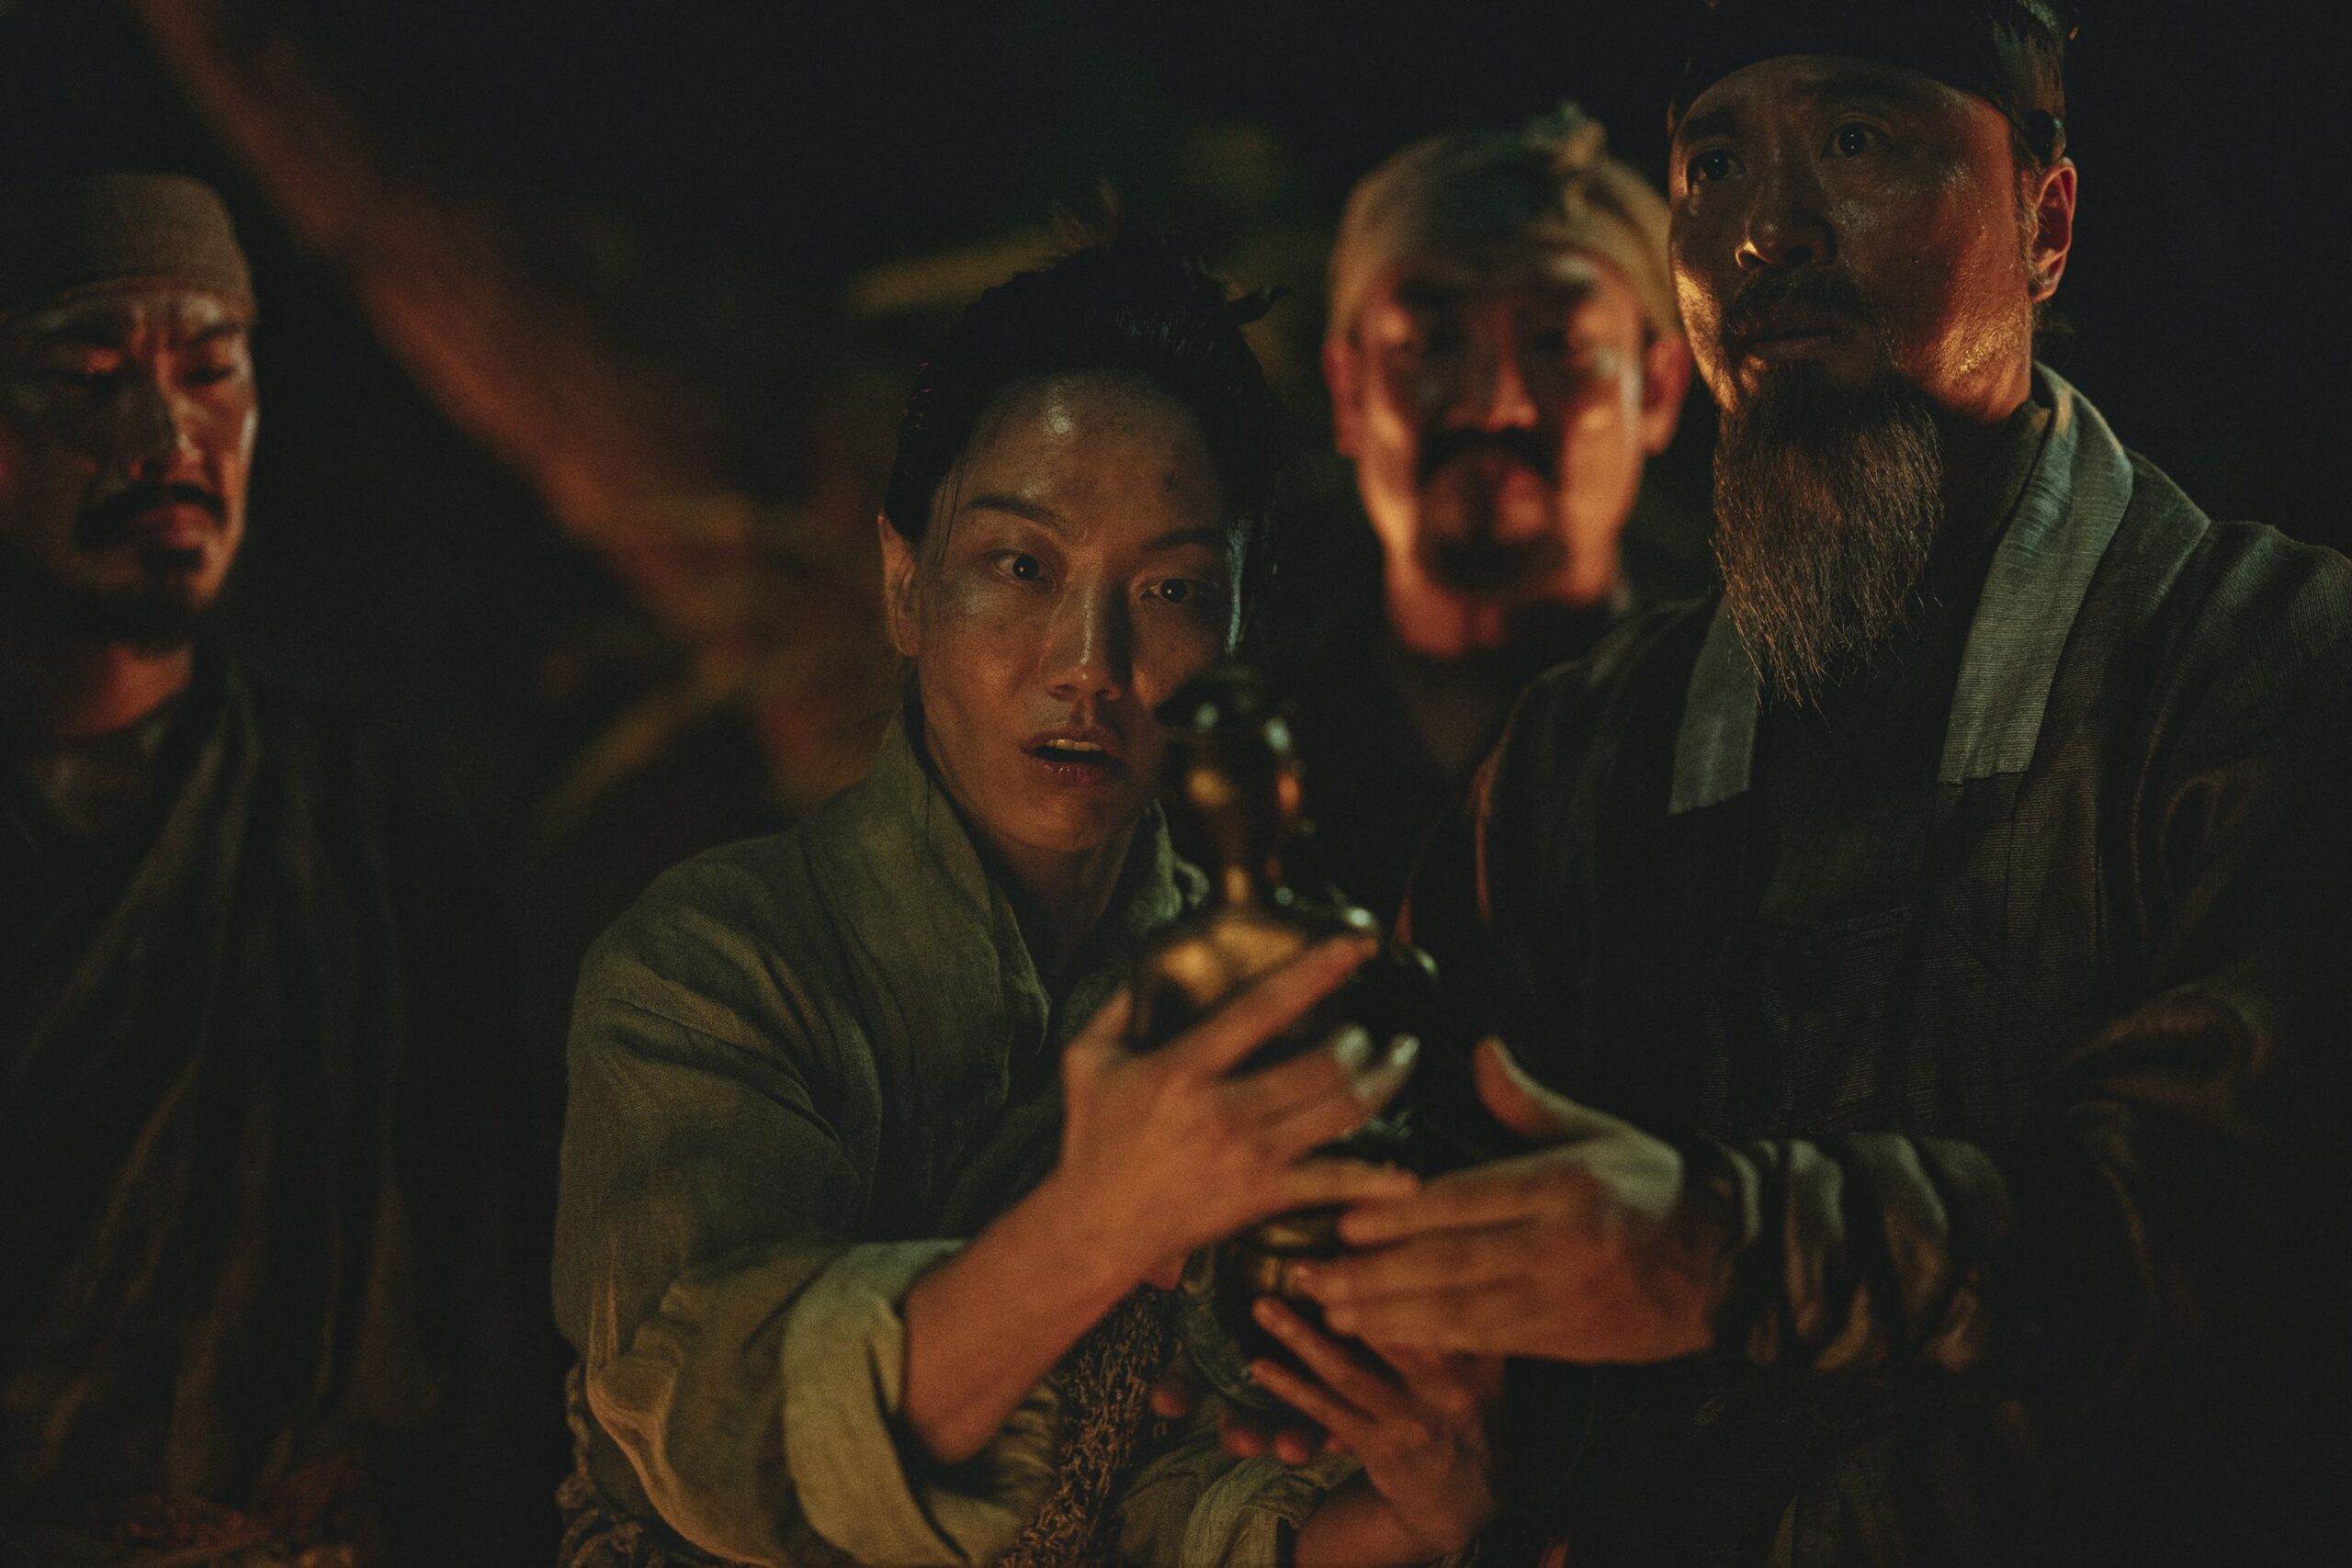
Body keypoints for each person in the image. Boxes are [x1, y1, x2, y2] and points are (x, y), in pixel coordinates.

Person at [1272, 3, 2352, 1563]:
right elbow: (1423, 1234)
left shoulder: (2269, 671)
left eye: (1856, 141)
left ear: (2046, 221)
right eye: (1714, 165)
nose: (1765, 230)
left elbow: (2239, 1243)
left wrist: (1728, 1253)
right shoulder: (1583, 756)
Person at [552, 236, 1502, 1568]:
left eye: (1170, 589)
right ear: (905, 585)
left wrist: (1415, 1508)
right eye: (1020, 566)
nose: (1089, 664)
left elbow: (1195, 1498)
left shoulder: (1258, 1001)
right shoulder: (710, 969)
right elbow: (721, 1438)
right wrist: (1098, 1225)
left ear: (1237, 630)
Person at [0, 174, 541, 1563]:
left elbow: (493, 1310)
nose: (166, 435)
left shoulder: (364, 824)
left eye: (210, 371)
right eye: (89, 378)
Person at [1270, 105, 1701, 920]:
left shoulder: (1733, 743)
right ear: (1349, 391)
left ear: (1660, 388)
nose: (1492, 403)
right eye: (1428, 344)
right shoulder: (1231, 748)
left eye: (1557, 343)